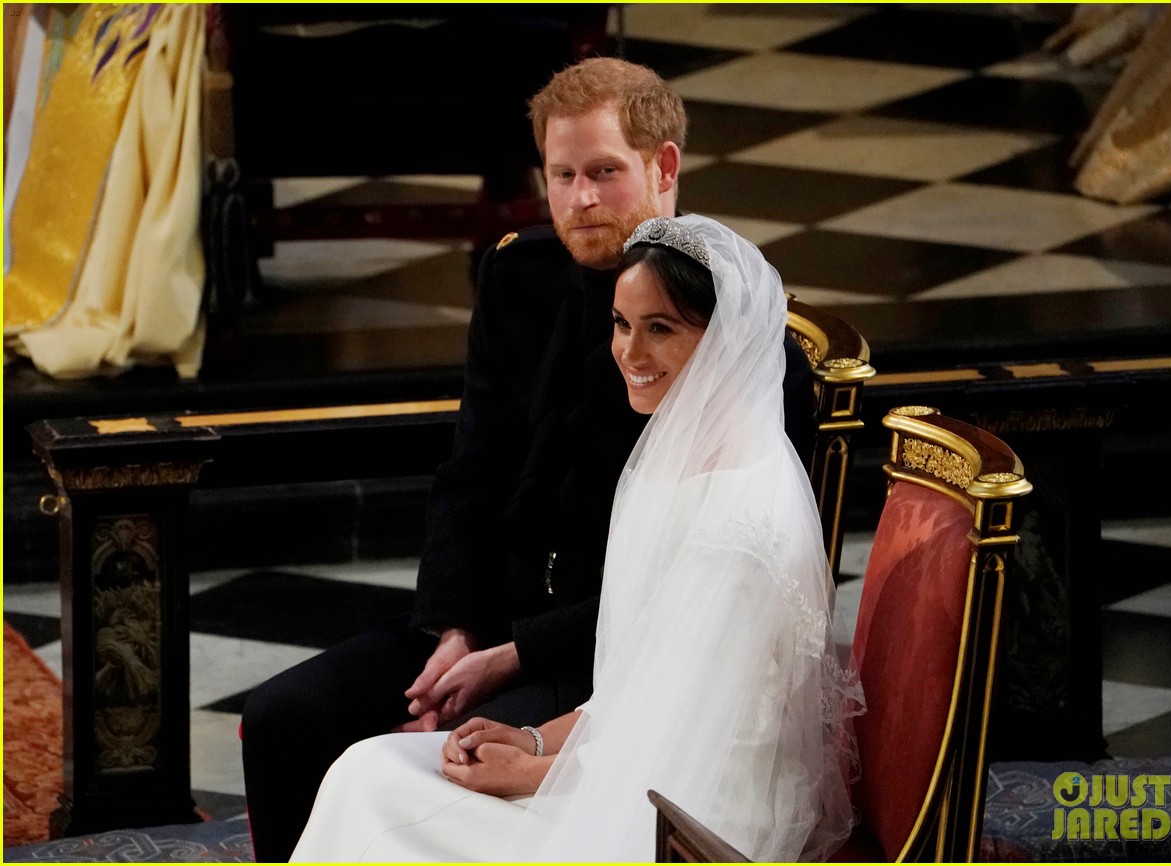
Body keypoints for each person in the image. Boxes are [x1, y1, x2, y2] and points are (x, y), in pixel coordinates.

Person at [240, 57, 817, 861]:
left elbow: (704, 599)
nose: (581, 198)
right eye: (562, 173)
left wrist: (517, 657)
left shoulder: (736, 345)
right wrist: (452, 629)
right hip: (483, 618)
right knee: (285, 720)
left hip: (591, 654)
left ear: (665, 167)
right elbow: (470, 471)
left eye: (606, 173)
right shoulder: (516, 277)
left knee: (417, 774)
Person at [290, 215, 863, 862]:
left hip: (690, 818)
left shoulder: (741, 515)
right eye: (621, 324)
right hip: (633, 766)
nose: (631, 353)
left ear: (724, 340)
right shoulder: (678, 455)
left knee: (373, 794)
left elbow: (688, 731)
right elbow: (634, 691)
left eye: (661, 329)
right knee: (366, 770)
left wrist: (529, 775)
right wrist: (532, 742)